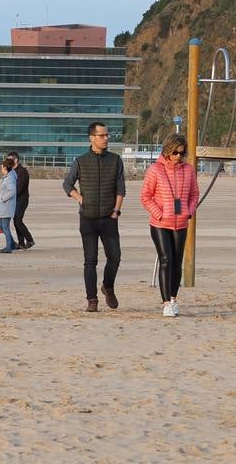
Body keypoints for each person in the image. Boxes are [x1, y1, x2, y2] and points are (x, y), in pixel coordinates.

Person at [63, 121, 126, 312]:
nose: (106, 138)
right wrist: (79, 197)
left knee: (114, 257)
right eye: (102, 135)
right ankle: (92, 299)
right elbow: (67, 184)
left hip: (109, 218)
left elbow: (121, 188)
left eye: (107, 135)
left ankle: (108, 286)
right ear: (92, 138)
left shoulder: (115, 160)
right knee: (90, 260)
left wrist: (116, 211)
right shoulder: (80, 161)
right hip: (88, 219)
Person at [141, 133, 199, 318]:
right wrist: (159, 214)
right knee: (165, 260)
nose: (178, 157)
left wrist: (188, 211)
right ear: (167, 151)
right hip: (159, 224)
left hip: (181, 223)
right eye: (175, 153)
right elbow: (145, 196)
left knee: (176, 262)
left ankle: (173, 299)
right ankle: (166, 303)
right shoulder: (155, 170)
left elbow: (194, 195)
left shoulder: (188, 170)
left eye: (182, 153)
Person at [7, 151, 34, 250]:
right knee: (15, 221)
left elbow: (20, 187)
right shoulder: (11, 171)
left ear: (16, 160)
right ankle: (21, 243)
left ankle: (30, 240)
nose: (8, 161)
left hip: (22, 199)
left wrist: (9, 195)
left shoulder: (22, 171)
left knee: (18, 221)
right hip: (14, 200)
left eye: (9, 159)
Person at [0, 157, 18, 254]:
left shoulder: (10, 178)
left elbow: (12, 191)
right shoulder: (8, 176)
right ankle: (12, 243)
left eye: (2, 167)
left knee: (5, 227)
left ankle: (9, 247)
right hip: (3, 206)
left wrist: (3, 199)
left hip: (6, 206)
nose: (1, 169)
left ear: (5, 168)